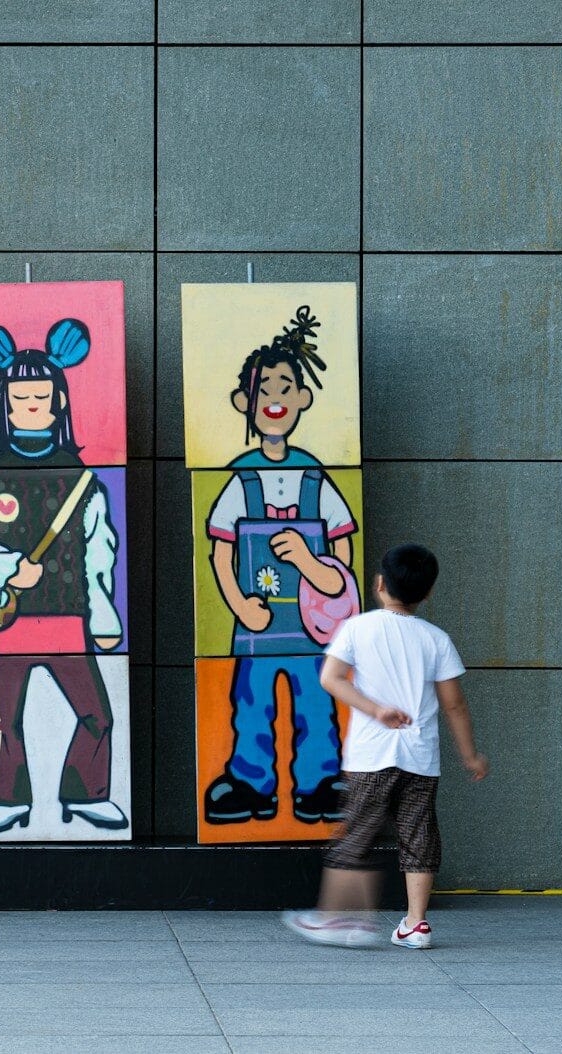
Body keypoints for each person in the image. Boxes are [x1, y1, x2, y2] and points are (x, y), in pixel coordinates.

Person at [0, 319, 127, 833]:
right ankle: (9, 800)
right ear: (3, 406)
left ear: (59, 403)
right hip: (7, 620)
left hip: (69, 617)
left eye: (41, 397)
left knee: (97, 715)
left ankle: (87, 792)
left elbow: (101, 552)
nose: (31, 406)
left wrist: (102, 614)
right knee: (8, 721)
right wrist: (8, 568)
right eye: (20, 397)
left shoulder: (85, 481)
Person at [284, 543, 489, 948]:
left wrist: (375, 709)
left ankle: (341, 918)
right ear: (428, 593)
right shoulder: (436, 639)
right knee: (419, 834)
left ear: (379, 584)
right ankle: (416, 924)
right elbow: (454, 704)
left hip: (371, 755)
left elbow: (332, 678)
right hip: (420, 757)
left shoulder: (358, 628)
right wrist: (470, 755)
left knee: (357, 832)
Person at [202, 308, 360, 827]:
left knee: (317, 700)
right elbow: (221, 551)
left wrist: (312, 568)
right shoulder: (240, 480)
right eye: (262, 388)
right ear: (243, 402)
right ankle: (251, 782)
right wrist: (240, 604)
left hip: (315, 628)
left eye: (285, 386)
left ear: (302, 399)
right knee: (251, 701)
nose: (274, 397)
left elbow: (343, 557)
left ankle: (318, 783)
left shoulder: (317, 478)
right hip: (259, 623)